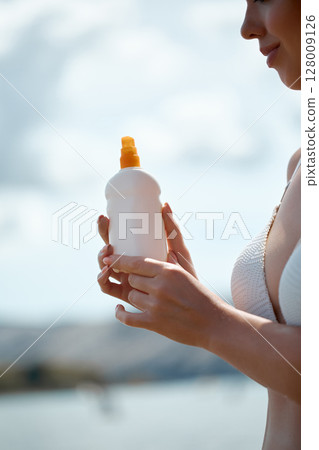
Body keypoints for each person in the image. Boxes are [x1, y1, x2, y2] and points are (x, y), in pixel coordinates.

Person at [97, 0, 301, 448]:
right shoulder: (299, 165)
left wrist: (213, 323)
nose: (246, 27)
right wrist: (194, 298)